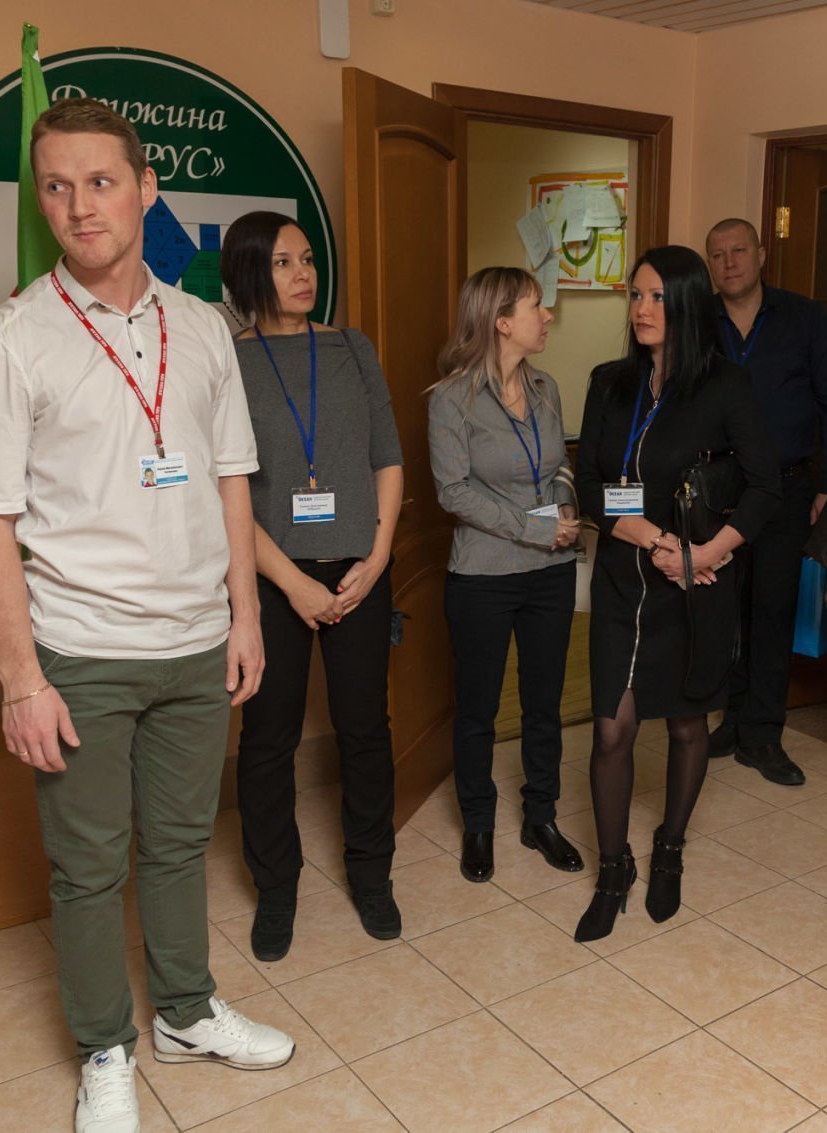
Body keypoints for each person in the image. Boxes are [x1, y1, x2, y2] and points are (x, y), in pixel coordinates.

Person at [0, 100, 293, 1133]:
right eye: (56, 187)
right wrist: (22, 678)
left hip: (195, 646)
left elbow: (232, 480)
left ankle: (185, 1013)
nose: (78, 206)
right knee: (89, 867)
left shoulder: (203, 327)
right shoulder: (11, 339)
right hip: (81, 654)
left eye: (100, 182)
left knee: (182, 844)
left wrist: (245, 617)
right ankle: (105, 1045)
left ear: (146, 189)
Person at [572, 245, 781, 942]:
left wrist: (702, 554)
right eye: (635, 295)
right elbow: (590, 483)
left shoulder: (725, 385)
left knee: (688, 724)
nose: (642, 309)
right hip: (623, 577)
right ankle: (613, 868)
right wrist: (651, 538)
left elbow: (765, 486)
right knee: (612, 728)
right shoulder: (609, 382)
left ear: (688, 304)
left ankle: (669, 847)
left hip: (695, 584)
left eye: (657, 297)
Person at [218, 211, 405, 962]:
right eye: (283, 262)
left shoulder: (353, 348)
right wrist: (293, 583)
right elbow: (225, 489)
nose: (304, 275)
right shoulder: (228, 360)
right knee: (268, 740)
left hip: (360, 570)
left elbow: (387, 457)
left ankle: (372, 873)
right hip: (271, 578)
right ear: (249, 272)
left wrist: (379, 553)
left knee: (366, 729)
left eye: (307, 259)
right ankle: (277, 887)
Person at [429, 267, 583, 884]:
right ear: (500, 321)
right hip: (484, 576)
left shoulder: (545, 387)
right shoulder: (451, 399)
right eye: (535, 306)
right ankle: (478, 825)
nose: (547, 317)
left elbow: (562, 462)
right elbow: (453, 492)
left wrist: (565, 505)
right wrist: (536, 529)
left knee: (544, 704)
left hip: (551, 573)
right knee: (478, 710)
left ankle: (541, 816)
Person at [704, 218, 827, 786]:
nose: (729, 262)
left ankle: (763, 734)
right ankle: (732, 718)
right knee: (725, 609)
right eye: (718, 254)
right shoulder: (699, 321)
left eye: (739, 250)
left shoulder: (804, 318)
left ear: (761, 254)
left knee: (772, 608)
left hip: (788, 489)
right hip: (719, 490)